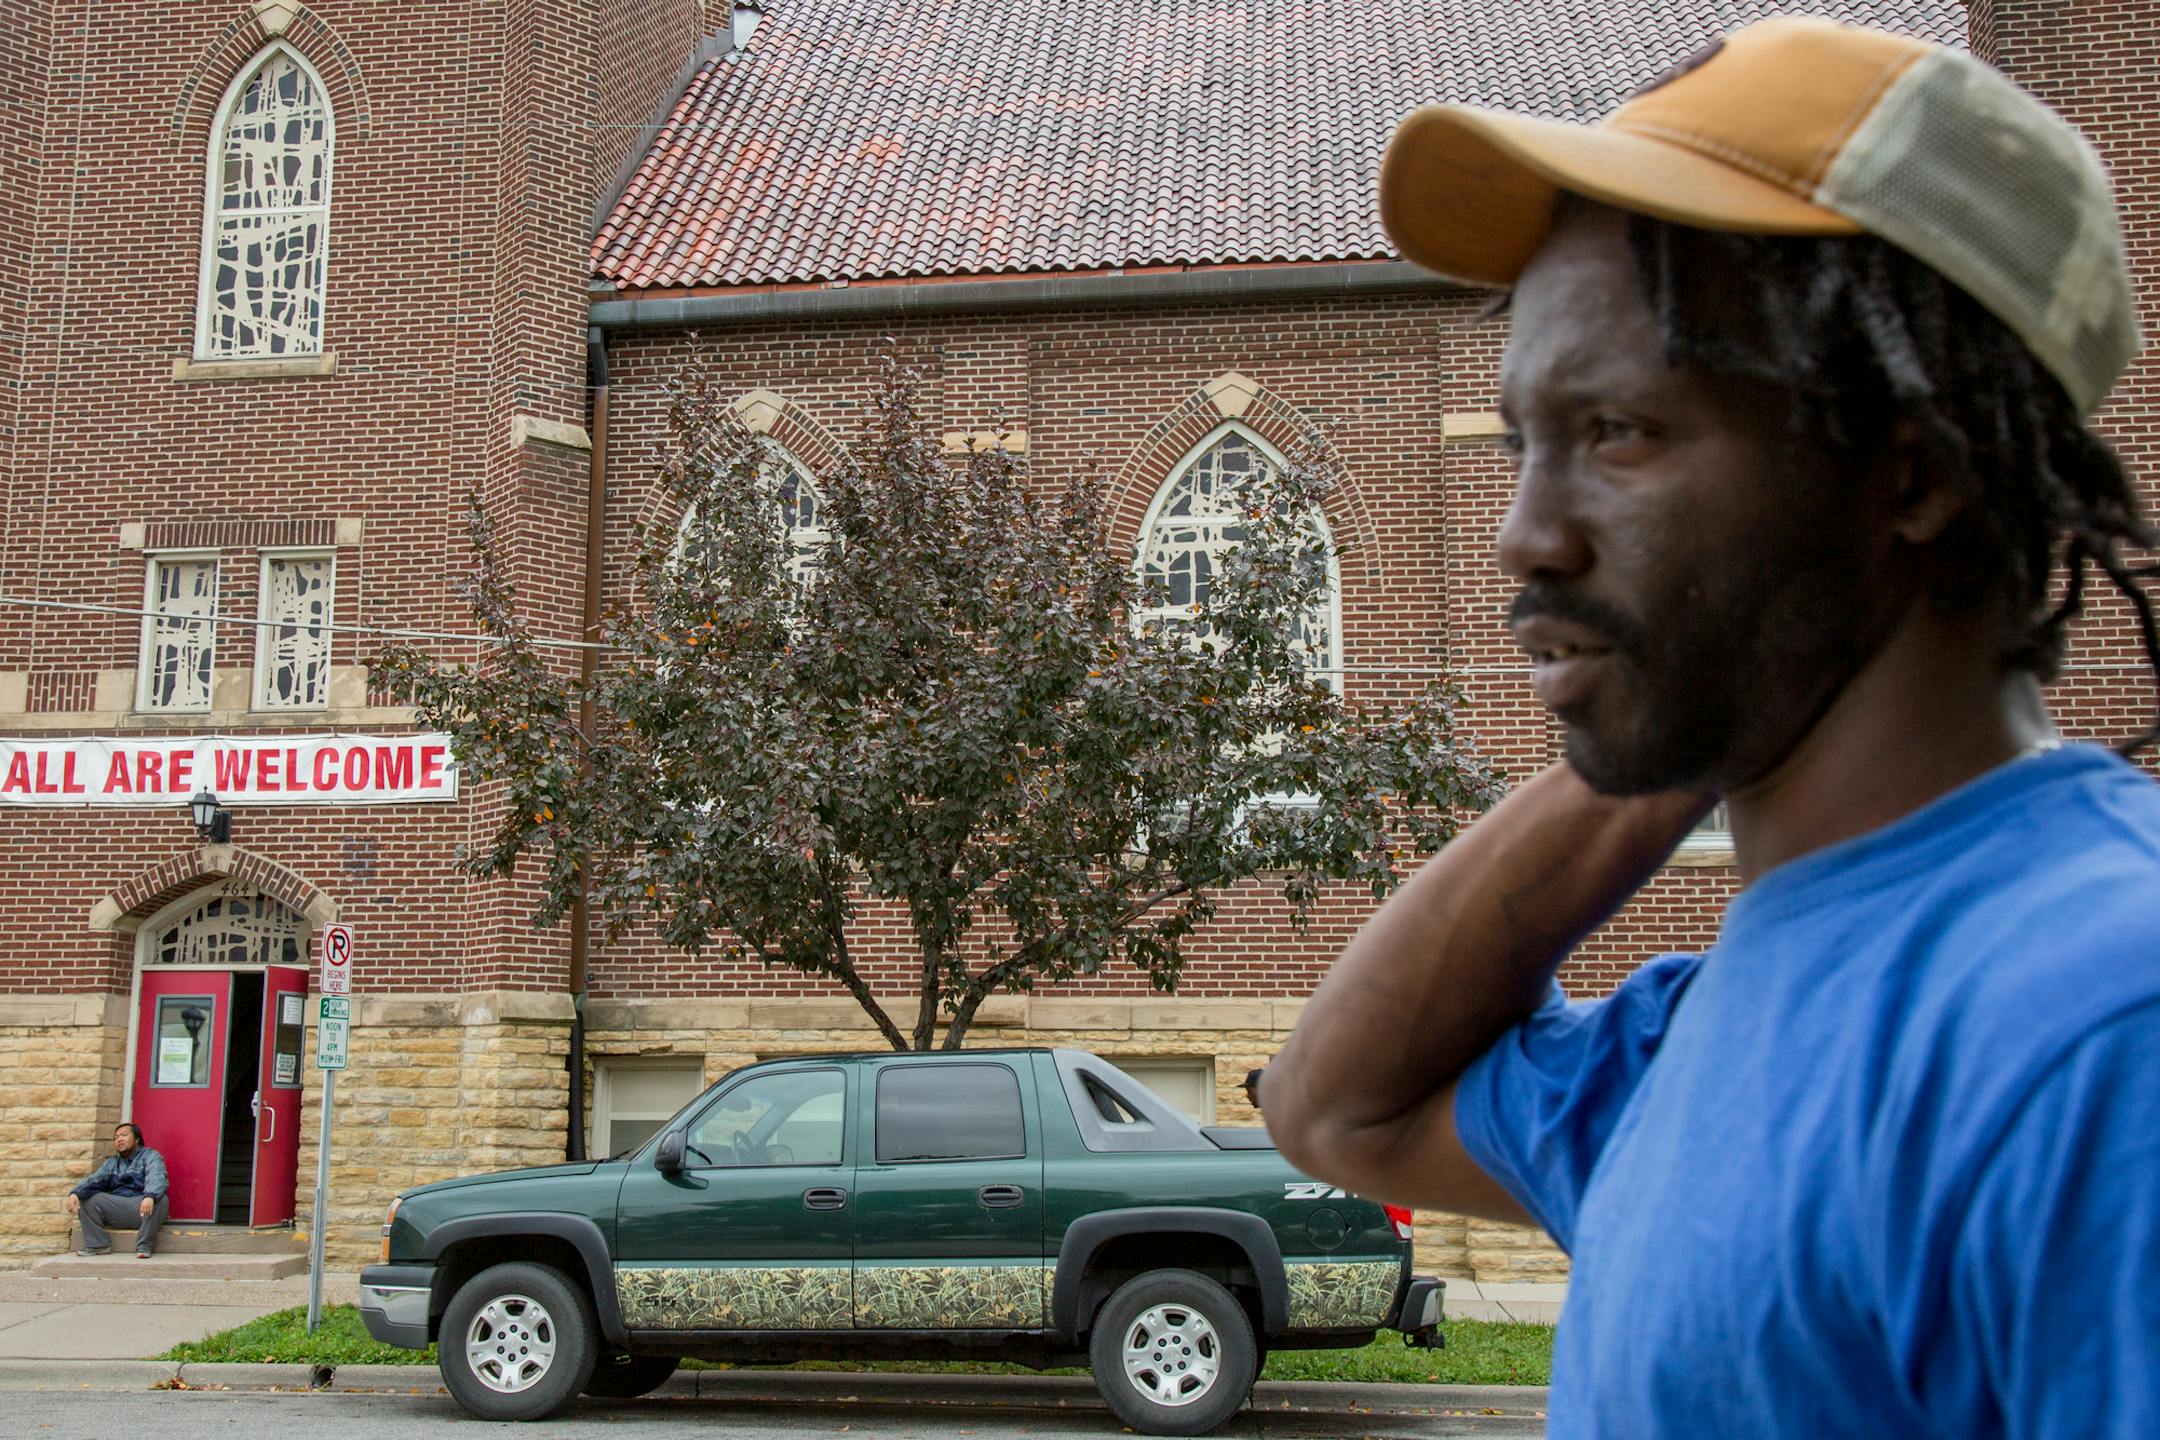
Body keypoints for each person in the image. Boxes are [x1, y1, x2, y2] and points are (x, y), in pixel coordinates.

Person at [1261, 17, 2160, 1439]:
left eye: (1619, 431)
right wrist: (1703, 708)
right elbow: (1335, 1107)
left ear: (1912, 472)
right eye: (1521, 443)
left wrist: (1710, 682)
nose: (1523, 535)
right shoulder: (1706, 1027)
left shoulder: (2099, 1024)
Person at [66, 1123, 170, 1258]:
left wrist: (150, 1195)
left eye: (124, 1135)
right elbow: (94, 1180)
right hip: (116, 1208)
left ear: (137, 1139)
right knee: (86, 1199)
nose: (119, 1139)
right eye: (116, 1138)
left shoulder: (150, 1156)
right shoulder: (112, 1163)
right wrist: (75, 1193)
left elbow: (157, 1176)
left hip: (141, 1208)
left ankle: (144, 1245)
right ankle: (98, 1245)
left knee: (161, 1200)